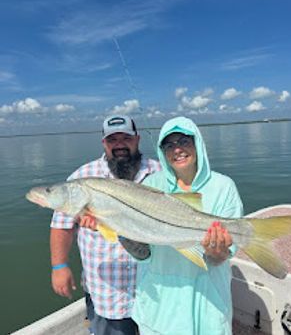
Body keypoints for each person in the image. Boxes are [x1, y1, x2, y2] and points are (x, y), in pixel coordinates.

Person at [131, 116, 243, 335]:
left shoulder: (223, 186)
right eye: (169, 144)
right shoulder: (151, 185)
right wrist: (119, 230)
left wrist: (217, 253)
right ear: (162, 150)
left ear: (197, 143)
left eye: (184, 141)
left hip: (209, 301)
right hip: (160, 303)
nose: (177, 149)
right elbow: (143, 253)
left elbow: (222, 256)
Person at [50, 114, 160, 335]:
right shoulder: (83, 177)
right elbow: (61, 225)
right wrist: (59, 266)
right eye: (112, 140)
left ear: (137, 139)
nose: (119, 145)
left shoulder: (159, 172)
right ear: (104, 143)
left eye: (125, 138)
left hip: (156, 289)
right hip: (107, 294)